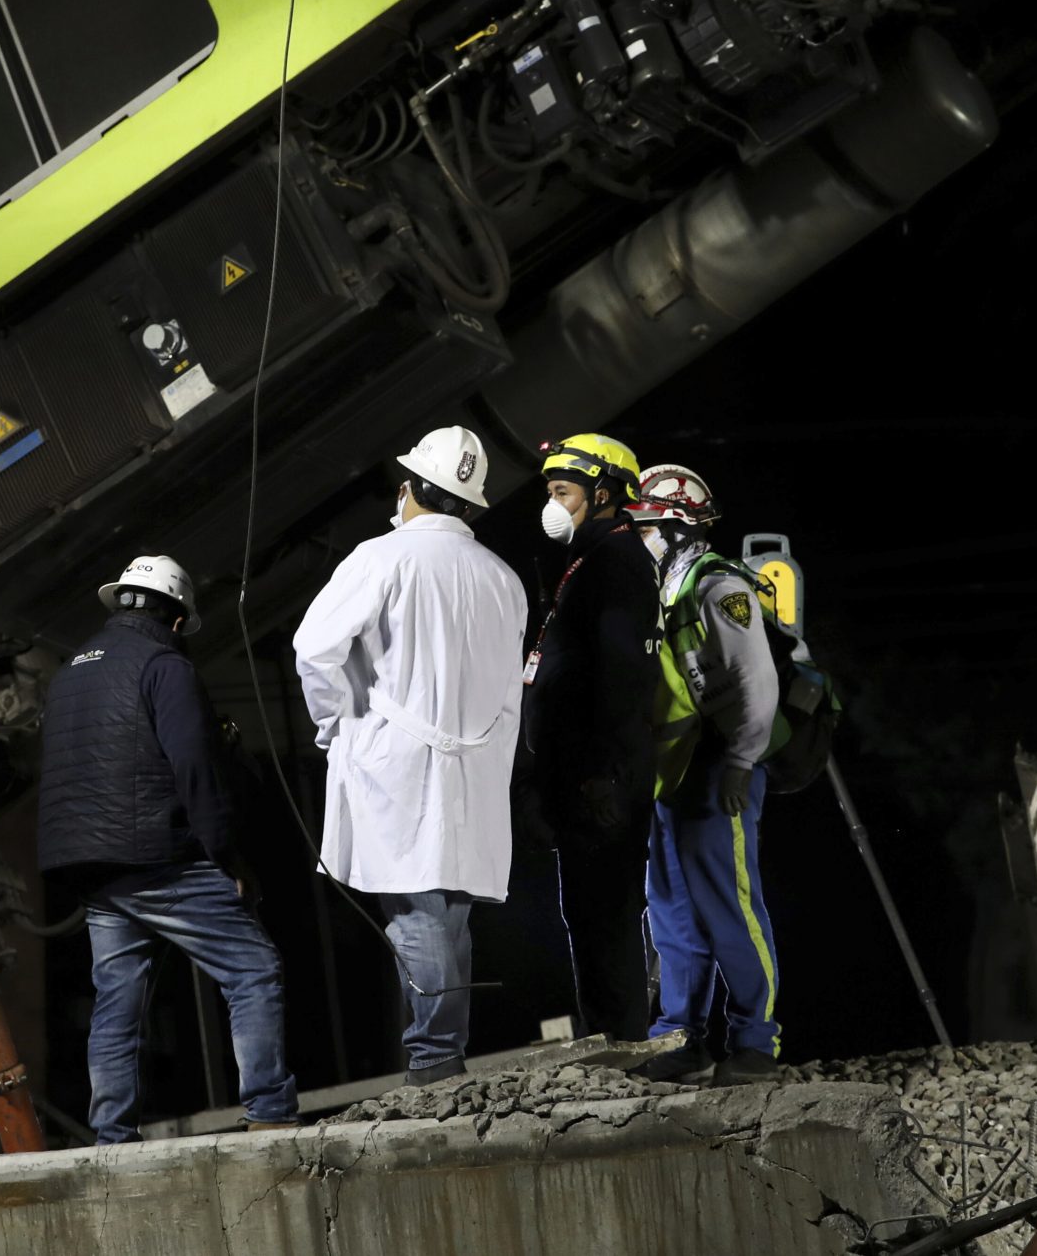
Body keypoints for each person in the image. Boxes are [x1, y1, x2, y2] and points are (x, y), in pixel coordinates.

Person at [37, 553, 300, 1141]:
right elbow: (195, 767)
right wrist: (227, 856)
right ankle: (271, 1113)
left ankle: (111, 1136)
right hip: (155, 854)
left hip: (88, 864)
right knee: (253, 969)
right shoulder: (165, 666)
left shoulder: (70, 670)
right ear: (178, 619)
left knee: (118, 997)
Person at [293, 426, 527, 1086]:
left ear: (409, 488)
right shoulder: (503, 578)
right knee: (448, 913)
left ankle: (434, 1059)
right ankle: (440, 1052)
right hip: (473, 769)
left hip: (395, 763)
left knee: (418, 910)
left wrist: (333, 715)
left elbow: (314, 649)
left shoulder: (382, 557)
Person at [626, 465, 785, 1083]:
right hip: (677, 771)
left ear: (676, 526)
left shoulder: (719, 586)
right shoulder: (668, 587)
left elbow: (757, 681)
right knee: (670, 909)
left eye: (646, 525)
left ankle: (754, 1042)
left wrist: (742, 763)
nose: (639, 535)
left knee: (731, 906)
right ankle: (679, 1038)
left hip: (721, 764)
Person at [521, 431, 663, 1043]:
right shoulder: (590, 558)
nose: (551, 504)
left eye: (562, 491)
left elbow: (624, 676)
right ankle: (610, 1040)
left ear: (603, 492)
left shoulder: (616, 561)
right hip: (581, 774)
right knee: (589, 914)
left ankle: (624, 1044)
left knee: (605, 916)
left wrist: (604, 772)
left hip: (601, 777)